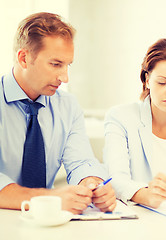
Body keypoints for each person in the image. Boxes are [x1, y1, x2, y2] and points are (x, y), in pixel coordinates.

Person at [0, 12, 116, 214]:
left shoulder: (67, 105)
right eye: (55, 64)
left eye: (67, 65)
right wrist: (48, 198)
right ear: (24, 58)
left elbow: (81, 161)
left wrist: (92, 183)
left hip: (49, 221)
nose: (65, 77)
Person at [104, 37, 166, 208]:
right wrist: (145, 195)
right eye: (162, 82)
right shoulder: (120, 117)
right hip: (135, 220)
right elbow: (115, 179)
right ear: (146, 80)